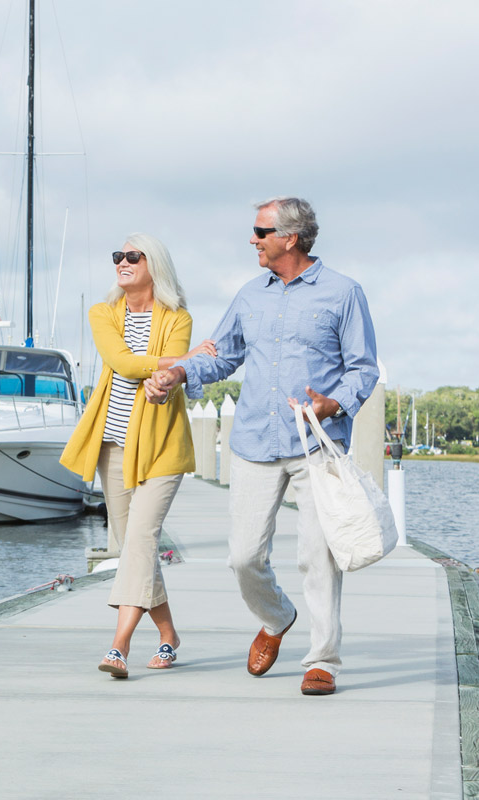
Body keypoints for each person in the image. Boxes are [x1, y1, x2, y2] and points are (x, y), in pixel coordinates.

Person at [146, 197, 378, 696]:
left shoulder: (343, 293)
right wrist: (179, 371)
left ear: (289, 238)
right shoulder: (250, 295)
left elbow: (363, 368)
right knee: (243, 556)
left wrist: (332, 404)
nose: (252, 239)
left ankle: (323, 660)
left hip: (315, 444)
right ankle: (276, 618)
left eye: (260, 231)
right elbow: (221, 356)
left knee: (318, 555)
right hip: (254, 441)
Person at [59, 233, 213, 679]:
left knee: (142, 539)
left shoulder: (177, 317)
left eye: (132, 256)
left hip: (163, 445)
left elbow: (168, 379)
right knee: (132, 548)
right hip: (112, 445)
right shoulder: (102, 313)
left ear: (154, 265)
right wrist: (181, 358)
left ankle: (119, 645)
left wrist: (170, 369)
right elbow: (124, 364)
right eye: (117, 257)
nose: (121, 263)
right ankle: (169, 637)